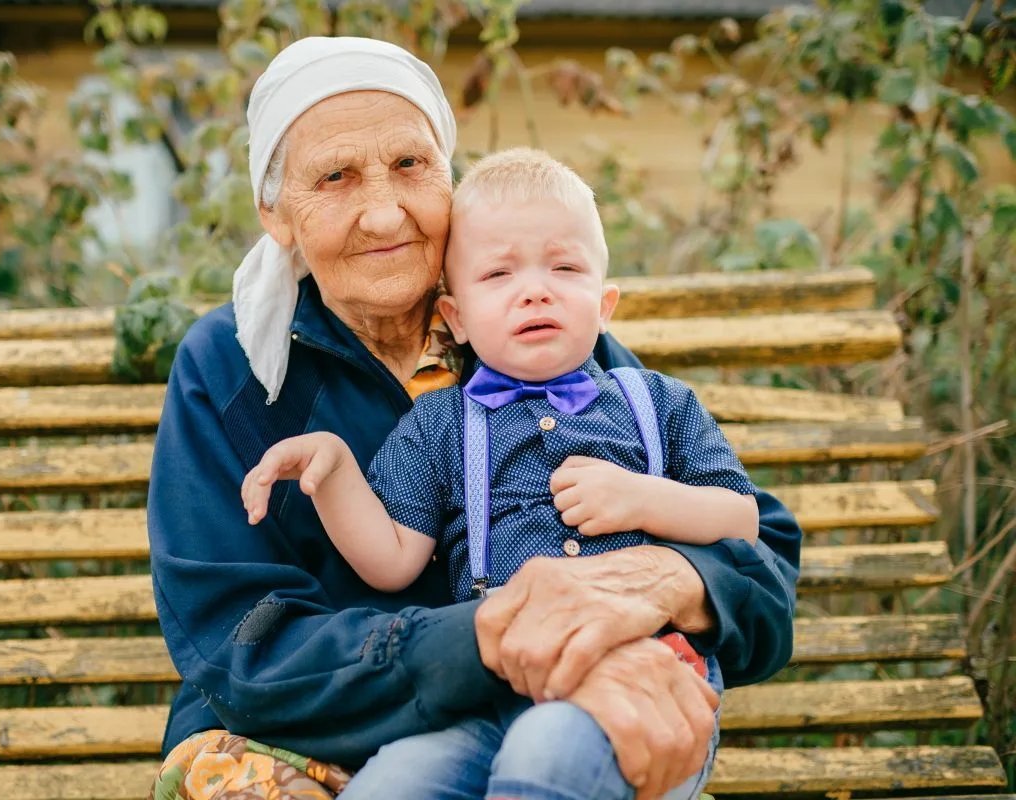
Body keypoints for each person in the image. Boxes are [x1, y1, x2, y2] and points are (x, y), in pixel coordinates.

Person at [148, 35, 801, 800]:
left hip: (541, 707)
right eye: (335, 177)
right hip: (303, 732)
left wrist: (663, 580)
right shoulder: (228, 370)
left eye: (410, 166)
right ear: (275, 213)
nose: (384, 211)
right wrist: (478, 642)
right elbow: (240, 645)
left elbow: (763, 567)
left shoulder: (526, 332)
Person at [239, 148, 757, 799]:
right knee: (395, 783)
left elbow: (740, 517)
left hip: (649, 687)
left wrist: (642, 500)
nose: (534, 289)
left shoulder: (659, 404)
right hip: (492, 695)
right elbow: (392, 560)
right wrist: (336, 471)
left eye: (564, 267)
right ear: (456, 319)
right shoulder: (440, 426)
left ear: (605, 304)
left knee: (548, 757)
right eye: (498, 274)